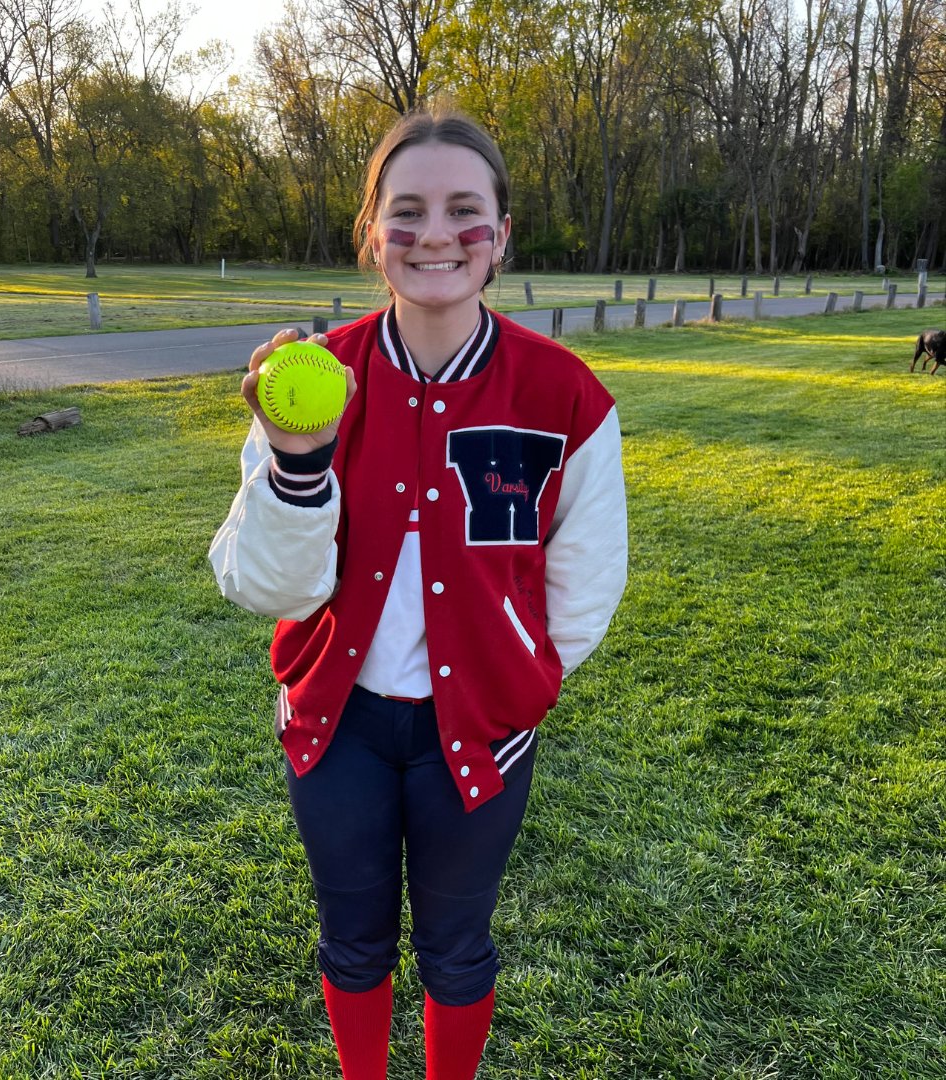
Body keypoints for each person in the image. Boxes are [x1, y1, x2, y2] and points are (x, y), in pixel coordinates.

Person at [209, 108, 627, 1080]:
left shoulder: (564, 395)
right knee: (352, 942)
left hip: (477, 735)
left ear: (502, 234)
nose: (435, 234)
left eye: (462, 210)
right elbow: (263, 582)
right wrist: (295, 465)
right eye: (407, 211)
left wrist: (515, 679)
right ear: (372, 234)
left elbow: (586, 582)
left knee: (456, 949)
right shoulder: (313, 380)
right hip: (339, 726)